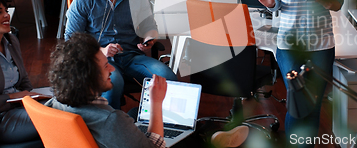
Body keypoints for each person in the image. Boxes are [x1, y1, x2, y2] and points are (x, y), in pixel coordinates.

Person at [47, 33, 249, 148]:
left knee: (135, 114)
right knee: (185, 139)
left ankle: (208, 136)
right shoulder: (111, 120)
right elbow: (156, 146)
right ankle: (209, 140)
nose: (111, 68)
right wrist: (156, 104)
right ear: (86, 77)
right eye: (104, 66)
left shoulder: (57, 103)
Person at [252, 0, 344, 147]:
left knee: (313, 104)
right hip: (290, 44)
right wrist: (270, 3)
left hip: (322, 45)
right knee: (299, 97)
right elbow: (277, 7)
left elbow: (339, 2)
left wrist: (329, 0)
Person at [65, 0, 177, 109]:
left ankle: (158, 126)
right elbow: (71, 41)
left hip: (132, 56)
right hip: (101, 60)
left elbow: (149, 25)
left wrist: (149, 38)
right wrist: (101, 51)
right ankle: (113, 129)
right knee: (114, 83)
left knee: (168, 77)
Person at [0, 0, 43, 146]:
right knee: (59, 114)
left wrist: (31, 97)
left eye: (6, 11)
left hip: (20, 106)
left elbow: (24, 79)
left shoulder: (11, 41)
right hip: (2, 118)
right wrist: (13, 96)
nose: (6, 15)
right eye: (0, 12)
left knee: (62, 105)